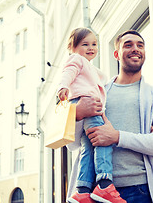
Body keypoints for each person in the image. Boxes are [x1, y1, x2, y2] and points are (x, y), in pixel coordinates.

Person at [66, 30, 153, 203]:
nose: (135, 49)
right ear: (116, 54)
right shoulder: (98, 92)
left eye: (140, 45)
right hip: (96, 192)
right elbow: (73, 145)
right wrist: (78, 114)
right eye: (128, 45)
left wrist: (116, 137)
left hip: (140, 189)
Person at [57, 27, 126, 203]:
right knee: (102, 140)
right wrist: (63, 86)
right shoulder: (76, 59)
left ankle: (82, 190)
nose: (91, 48)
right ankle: (104, 184)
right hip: (85, 102)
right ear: (72, 47)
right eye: (85, 44)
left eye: (94, 44)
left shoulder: (90, 67)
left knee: (88, 146)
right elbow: (68, 71)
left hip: (84, 102)